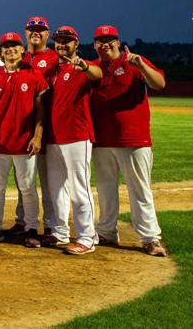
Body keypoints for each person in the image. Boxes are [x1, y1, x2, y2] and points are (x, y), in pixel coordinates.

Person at [90, 25, 167, 257]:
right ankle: (106, 232)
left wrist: (141, 65)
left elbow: (159, 84)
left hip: (133, 139)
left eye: (109, 39)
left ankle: (150, 238)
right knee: (105, 189)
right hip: (102, 140)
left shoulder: (133, 62)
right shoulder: (94, 68)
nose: (105, 44)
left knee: (139, 190)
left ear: (117, 41)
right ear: (95, 44)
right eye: (100, 40)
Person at [0, 32, 48, 247]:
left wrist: (37, 136)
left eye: (14, 46)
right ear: (1, 51)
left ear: (22, 50)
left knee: (27, 187)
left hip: (24, 142)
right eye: (6, 47)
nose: (10, 50)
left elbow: (40, 110)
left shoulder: (34, 74)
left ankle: (31, 228)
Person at [43, 26, 101, 254]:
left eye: (67, 41)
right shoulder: (51, 71)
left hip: (77, 136)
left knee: (79, 187)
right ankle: (60, 232)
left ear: (76, 44)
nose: (62, 44)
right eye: (58, 41)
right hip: (53, 137)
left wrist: (85, 67)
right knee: (56, 188)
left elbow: (98, 76)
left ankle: (87, 236)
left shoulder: (84, 67)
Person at [14, 15, 59, 235]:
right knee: (24, 180)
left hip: (47, 127)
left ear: (47, 34)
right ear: (25, 32)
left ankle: (51, 224)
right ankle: (22, 221)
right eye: (32, 28)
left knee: (48, 180)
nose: (36, 32)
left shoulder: (53, 57)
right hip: (22, 128)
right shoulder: (19, 58)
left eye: (40, 29)